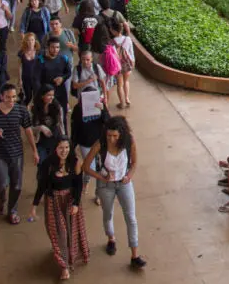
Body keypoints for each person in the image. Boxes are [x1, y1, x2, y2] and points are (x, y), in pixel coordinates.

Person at [82, 116, 147, 269]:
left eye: (115, 136)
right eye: (109, 135)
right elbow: (86, 167)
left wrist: (129, 176)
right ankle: (111, 239)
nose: (111, 139)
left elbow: (135, 162)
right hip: (106, 186)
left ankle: (134, 255)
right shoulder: (100, 144)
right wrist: (101, 177)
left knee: (131, 217)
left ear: (121, 134)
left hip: (124, 183)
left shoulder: (129, 142)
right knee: (108, 214)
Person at [29, 136, 91, 280]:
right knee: (60, 234)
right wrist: (34, 205)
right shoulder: (47, 164)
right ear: (55, 149)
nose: (64, 151)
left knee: (72, 232)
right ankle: (64, 267)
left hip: (70, 202)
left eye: (67, 147)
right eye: (61, 148)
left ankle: (72, 258)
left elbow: (78, 185)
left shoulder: (75, 162)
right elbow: (42, 185)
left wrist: (76, 203)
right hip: (54, 202)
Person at [0, 83, 35, 225]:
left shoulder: (21, 111)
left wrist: (34, 150)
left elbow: (28, 130)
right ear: (1, 97)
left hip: (16, 153)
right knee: (3, 182)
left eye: (13, 97)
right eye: (8, 97)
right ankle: (2, 199)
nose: (11, 100)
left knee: (17, 185)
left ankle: (12, 211)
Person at [70, 87, 109, 205]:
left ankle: (98, 194)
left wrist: (103, 111)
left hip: (99, 143)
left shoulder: (101, 106)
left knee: (100, 169)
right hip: (85, 143)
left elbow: (109, 122)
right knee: (90, 168)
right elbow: (75, 128)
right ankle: (85, 182)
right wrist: (73, 145)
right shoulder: (77, 109)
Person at [36, 38, 71, 122]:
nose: (55, 50)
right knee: (47, 118)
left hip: (61, 92)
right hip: (47, 94)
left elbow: (68, 72)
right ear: (47, 47)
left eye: (57, 47)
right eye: (53, 47)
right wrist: (40, 95)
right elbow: (36, 79)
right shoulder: (41, 60)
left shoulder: (63, 58)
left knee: (63, 116)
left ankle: (64, 134)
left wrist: (62, 78)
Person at [30, 84, 66, 167]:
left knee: (55, 166)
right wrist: (40, 128)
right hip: (41, 141)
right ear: (42, 96)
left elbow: (61, 124)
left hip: (55, 139)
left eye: (53, 95)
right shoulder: (34, 108)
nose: (52, 97)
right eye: (49, 95)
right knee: (42, 165)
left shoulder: (58, 107)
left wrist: (63, 139)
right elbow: (30, 128)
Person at [110, 22, 133, 109]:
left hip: (117, 65)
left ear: (114, 31)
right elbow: (131, 52)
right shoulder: (128, 39)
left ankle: (121, 102)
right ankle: (127, 98)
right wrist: (132, 61)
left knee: (119, 85)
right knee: (126, 81)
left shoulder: (111, 42)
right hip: (127, 63)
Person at [18, 33, 40, 107]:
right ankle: (23, 109)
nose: (30, 42)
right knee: (28, 96)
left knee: (37, 97)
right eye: (28, 40)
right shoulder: (21, 53)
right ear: (25, 41)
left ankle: (35, 113)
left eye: (32, 40)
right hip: (26, 78)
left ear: (35, 41)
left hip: (36, 79)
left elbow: (42, 65)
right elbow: (20, 66)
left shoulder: (38, 52)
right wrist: (20, 79)